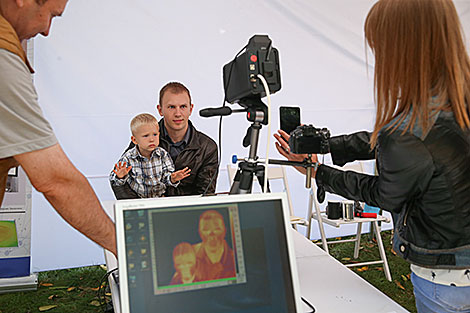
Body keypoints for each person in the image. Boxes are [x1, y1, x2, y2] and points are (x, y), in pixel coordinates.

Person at [275, 0, 470, 312]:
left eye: (380, 48)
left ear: (402, 49)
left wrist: (316, 171)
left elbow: (385, 193)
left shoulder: (406, 131)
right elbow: (391, 145)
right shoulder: (456, 105)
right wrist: (325, 144)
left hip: (445, 282)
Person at [0, 0, 117, 255]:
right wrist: (125, 247)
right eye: (51, 15)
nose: (46, 30)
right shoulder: (3, 59)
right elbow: (56, 180)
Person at [111, 82, 218, 199]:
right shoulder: (145, 138)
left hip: (187, 211)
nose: (178, 113)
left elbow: (205, 194)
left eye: (183, 107)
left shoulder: (208, 147)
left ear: (190, 109)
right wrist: (140, 209)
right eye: (171, 107)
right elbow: (119, 182)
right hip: (148, 212)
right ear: (160, 110)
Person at [109, 113, 191, 198]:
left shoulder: (162, 154)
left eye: (155, 134)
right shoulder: (128, 158)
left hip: (160, 199)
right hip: (138, 200)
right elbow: (114, 181)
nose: (152, 139)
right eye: (146, 136)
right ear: (134, 140)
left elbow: (166, 178)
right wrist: (120, 177)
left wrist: (172, 179)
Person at [193, 210, 236, 280]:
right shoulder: (189, 256)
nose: (211, 233)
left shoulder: (234, 258)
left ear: (225, 230)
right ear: (199, 232)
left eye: (217, 229)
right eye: (206, 229)